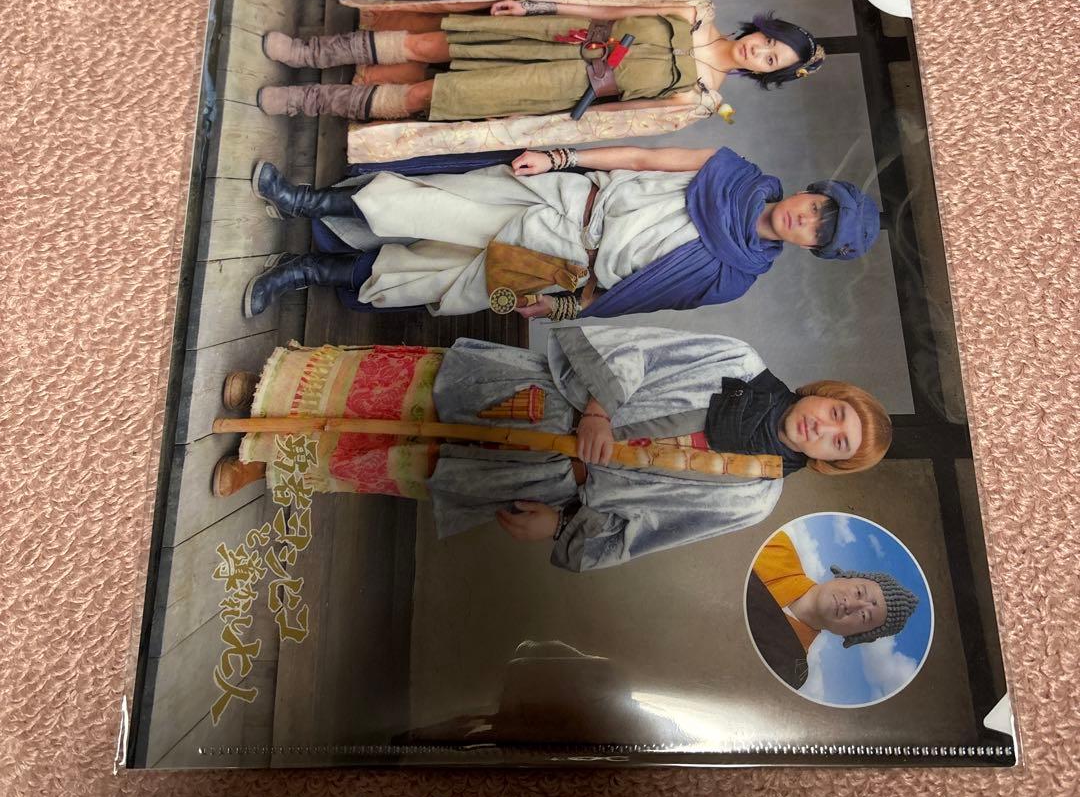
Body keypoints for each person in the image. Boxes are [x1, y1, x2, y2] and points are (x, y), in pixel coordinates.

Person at [212, 324, 892, 572]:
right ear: (826, 393)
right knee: (402, 390)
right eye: (837, 413)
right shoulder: (739, 360)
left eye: (839, 443)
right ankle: (273, 394)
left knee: (402, 465)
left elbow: (647, 530)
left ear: (830, 462)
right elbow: (639, 350)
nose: (824, 428)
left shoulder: (754, 495)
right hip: (550, 399)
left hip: (550, 474)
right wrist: (600, 408)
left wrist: (560, 525)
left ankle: (265, 461)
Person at [241, 143, 881, 322]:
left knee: (428, 282)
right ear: (812, 191)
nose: (807, 220)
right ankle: (301, 202)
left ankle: (300, 274)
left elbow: (634, 300)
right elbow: (642, 158)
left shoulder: (734, 278)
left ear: (810, 250)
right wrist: (560, 157)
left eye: (818, 234)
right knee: (424, 203)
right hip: (568, 199)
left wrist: (557, 308)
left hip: (563, 269)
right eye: (817, 208)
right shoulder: (731, 169)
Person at [255, 0, 824, 126]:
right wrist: (537, 5)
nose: (760, 51)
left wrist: (542, 125)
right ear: (761, 29)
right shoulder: (695, 10)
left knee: (433, 95)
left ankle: (310, 100)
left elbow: (613, 118)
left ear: (765, 74)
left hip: (561, 86)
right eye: (769, 41)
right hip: (559, 33)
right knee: (434, 45)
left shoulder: (702, 100)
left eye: (770, 61)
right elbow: (610, 7)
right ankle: (309, 53)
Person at [746, 529, 920, 690]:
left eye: (864, 616)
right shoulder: (776, 545)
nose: (851, 605)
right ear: (846, 576)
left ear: (855, 637)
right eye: (859, 592)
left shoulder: (791, 669)